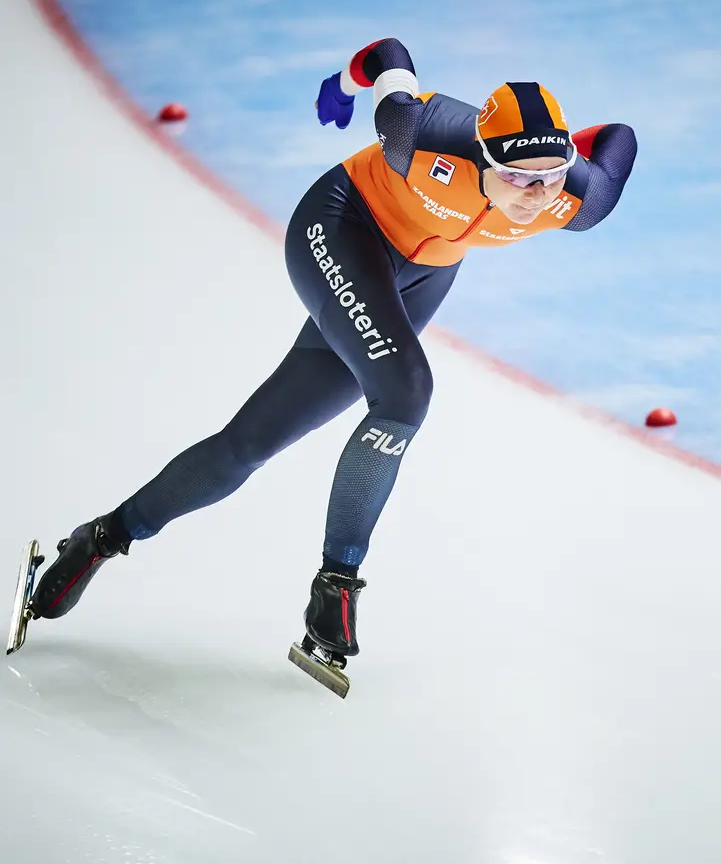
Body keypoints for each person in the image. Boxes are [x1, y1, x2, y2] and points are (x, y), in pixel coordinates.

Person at [26, 37, 637, 667]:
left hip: (424, 273)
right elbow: (388, 52)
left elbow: (619, 136)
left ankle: (100, 537)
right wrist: (346, 85)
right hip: (343, 226)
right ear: (480, 155)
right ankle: (337, 585)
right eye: (515, 175)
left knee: (248, 445)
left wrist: (560, 147)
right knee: (406, 392)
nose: (534, 193)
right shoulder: (418, 134)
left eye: (549, 174)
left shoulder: (578, 198)